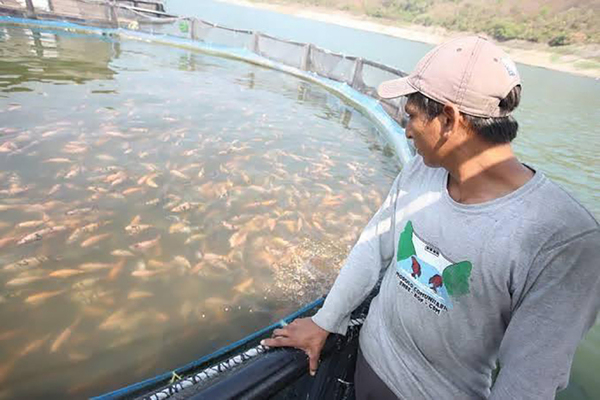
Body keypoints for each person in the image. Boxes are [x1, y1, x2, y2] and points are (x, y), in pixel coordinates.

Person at [262, 36, 600, 399]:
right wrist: (324, 322)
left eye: (411, 115)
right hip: (367, 362)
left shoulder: (563, 241)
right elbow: (373, 247)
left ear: (450, 119)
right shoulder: (422, 172)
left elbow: (529, 381)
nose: (407, 130)